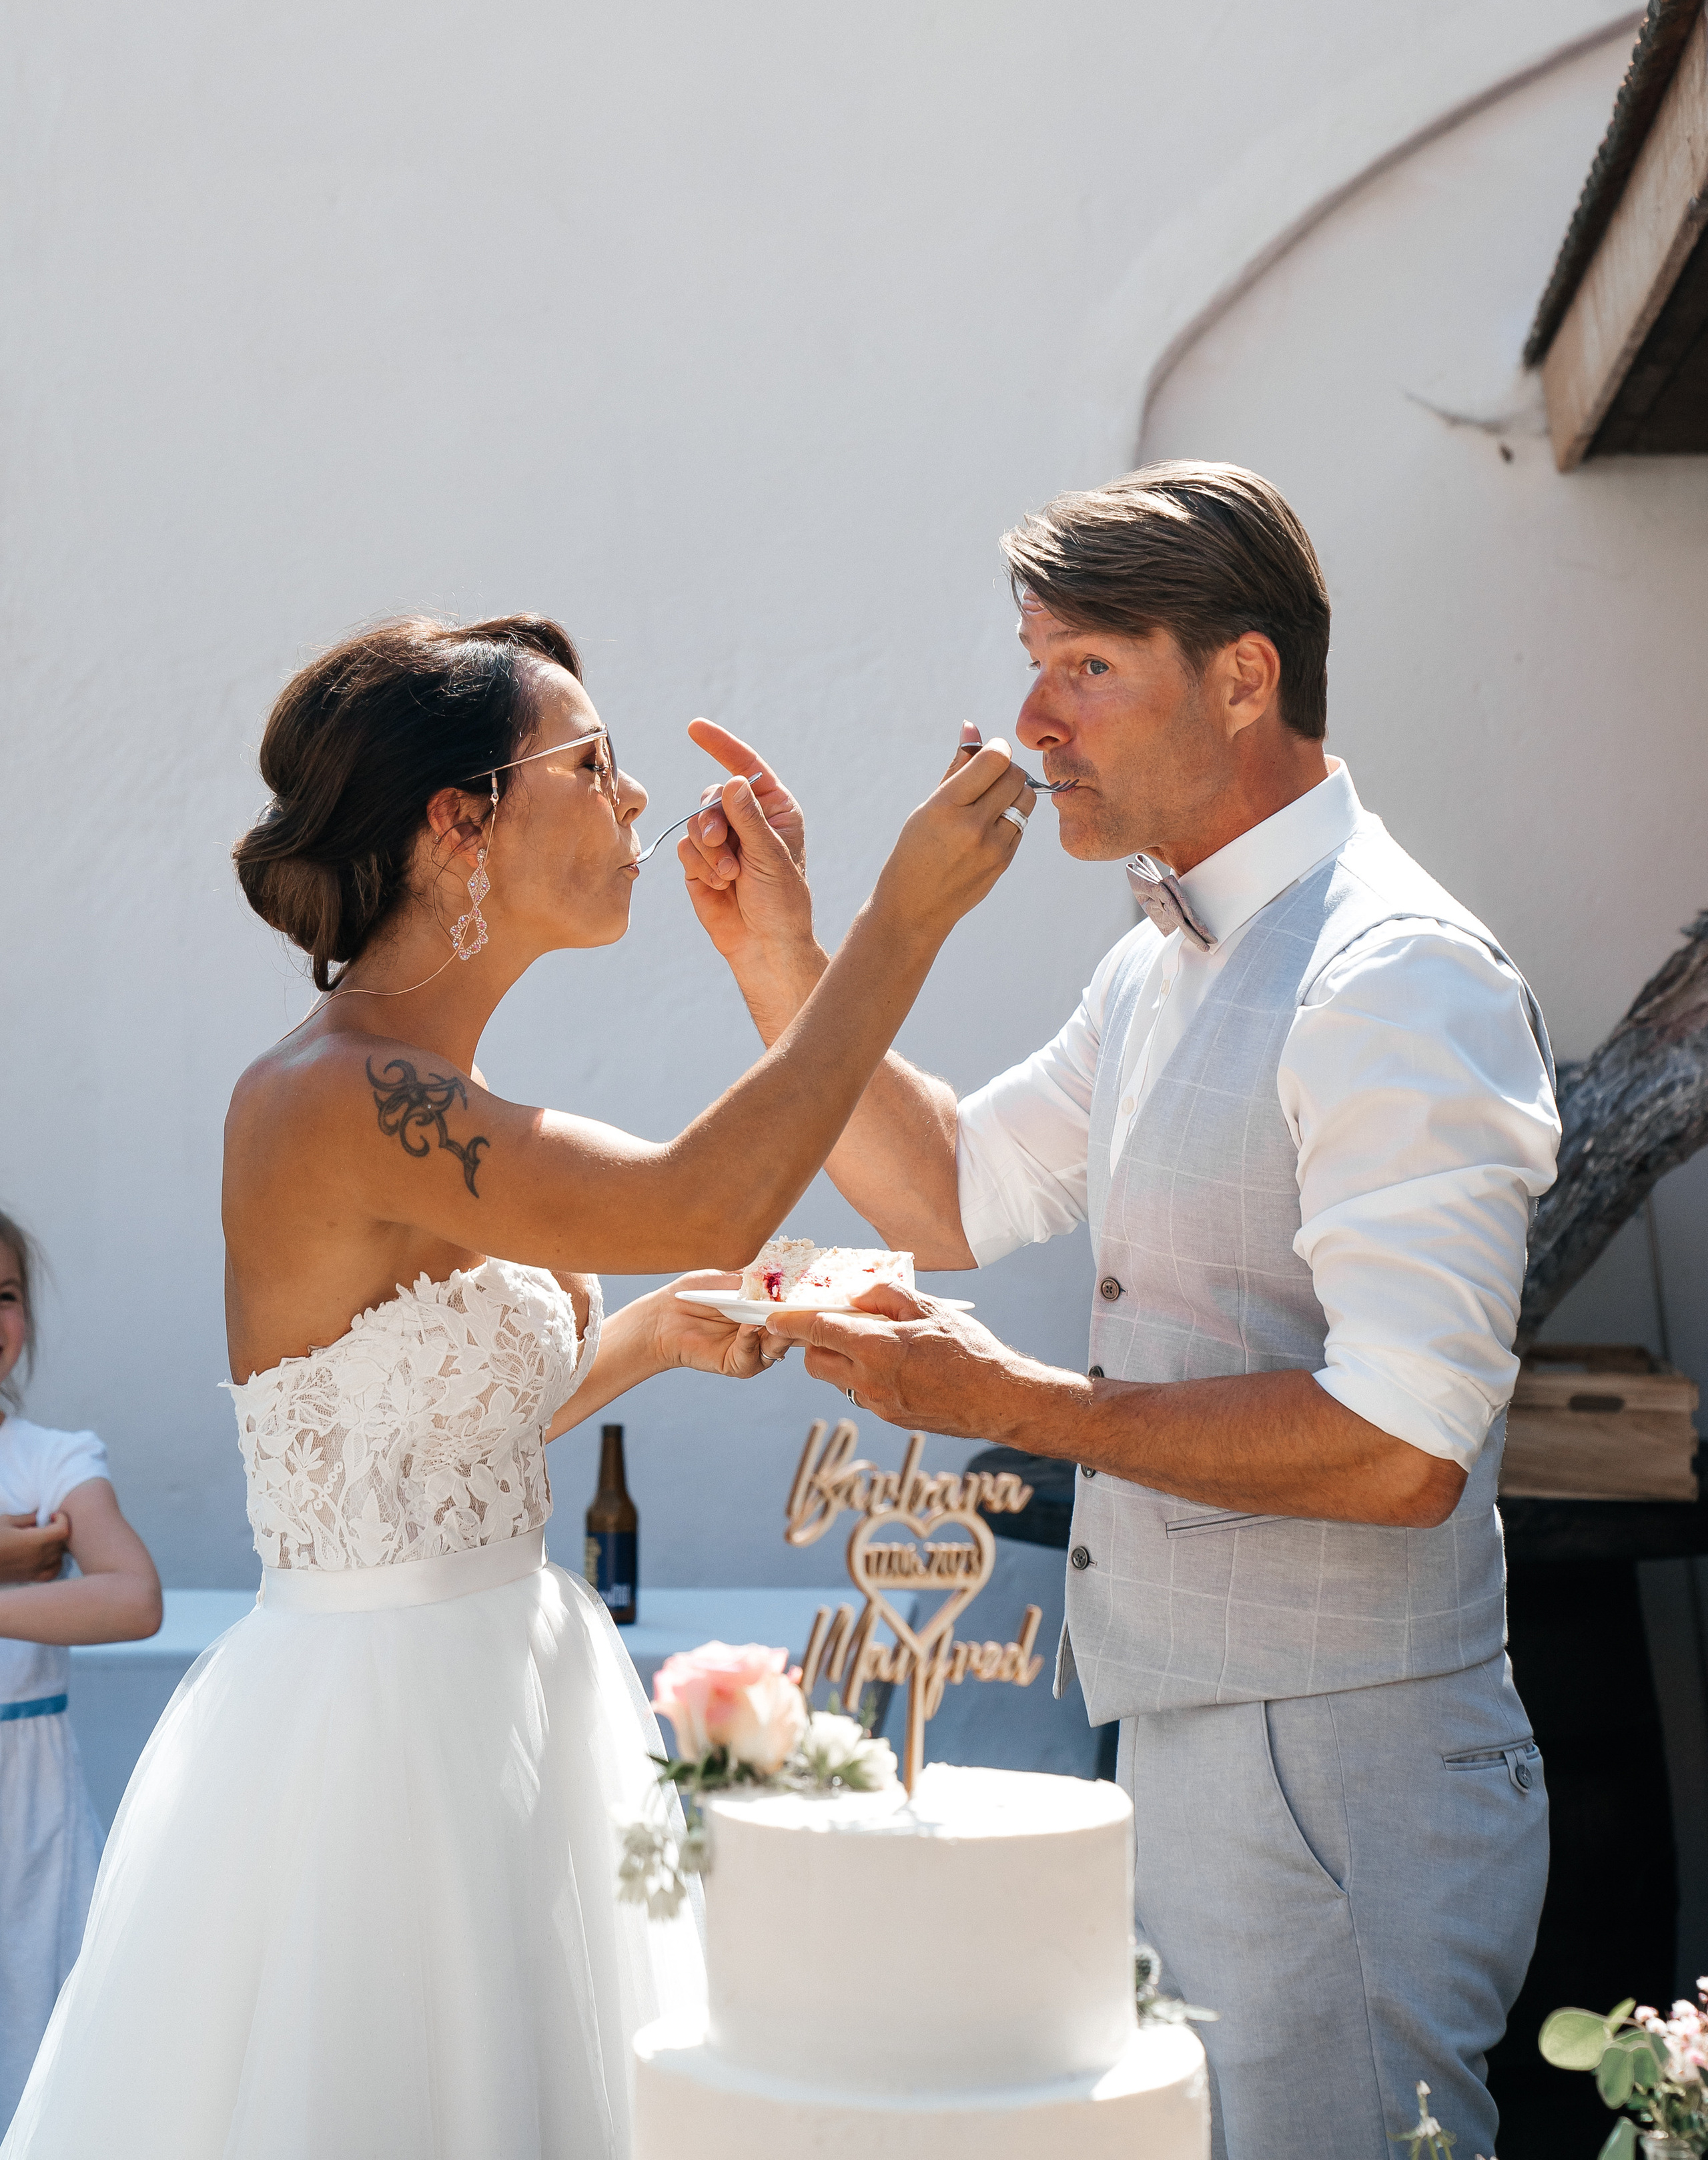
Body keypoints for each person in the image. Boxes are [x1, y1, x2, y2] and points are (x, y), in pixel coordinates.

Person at [2, 613, 1028, 2160]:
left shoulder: (444, 1100)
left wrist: (654, 1337)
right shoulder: (331, 1096)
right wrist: (899, 920)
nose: (633, 804)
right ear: (457, 821)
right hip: (373, 1750)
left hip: (522, 1697)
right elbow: (704, 1198)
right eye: (594, 763)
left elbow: (424, 1426)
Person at [678, 466, 1561, 2160]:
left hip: (1338, 1774)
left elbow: (1401, 1454)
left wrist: (1012, 1402)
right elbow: (949, 1192)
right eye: (1031, 663)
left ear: (1244, 678)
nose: (1028, 720)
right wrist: (782, 958)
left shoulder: (1393, 975)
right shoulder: (1161, 956)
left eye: (1084, 666)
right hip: (1192, 1745)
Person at [0, 1208, 162, 2135]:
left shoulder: (53, 1461)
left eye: (7, 1295)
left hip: (31, 1807)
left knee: (40, 2048)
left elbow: (131, 1596)